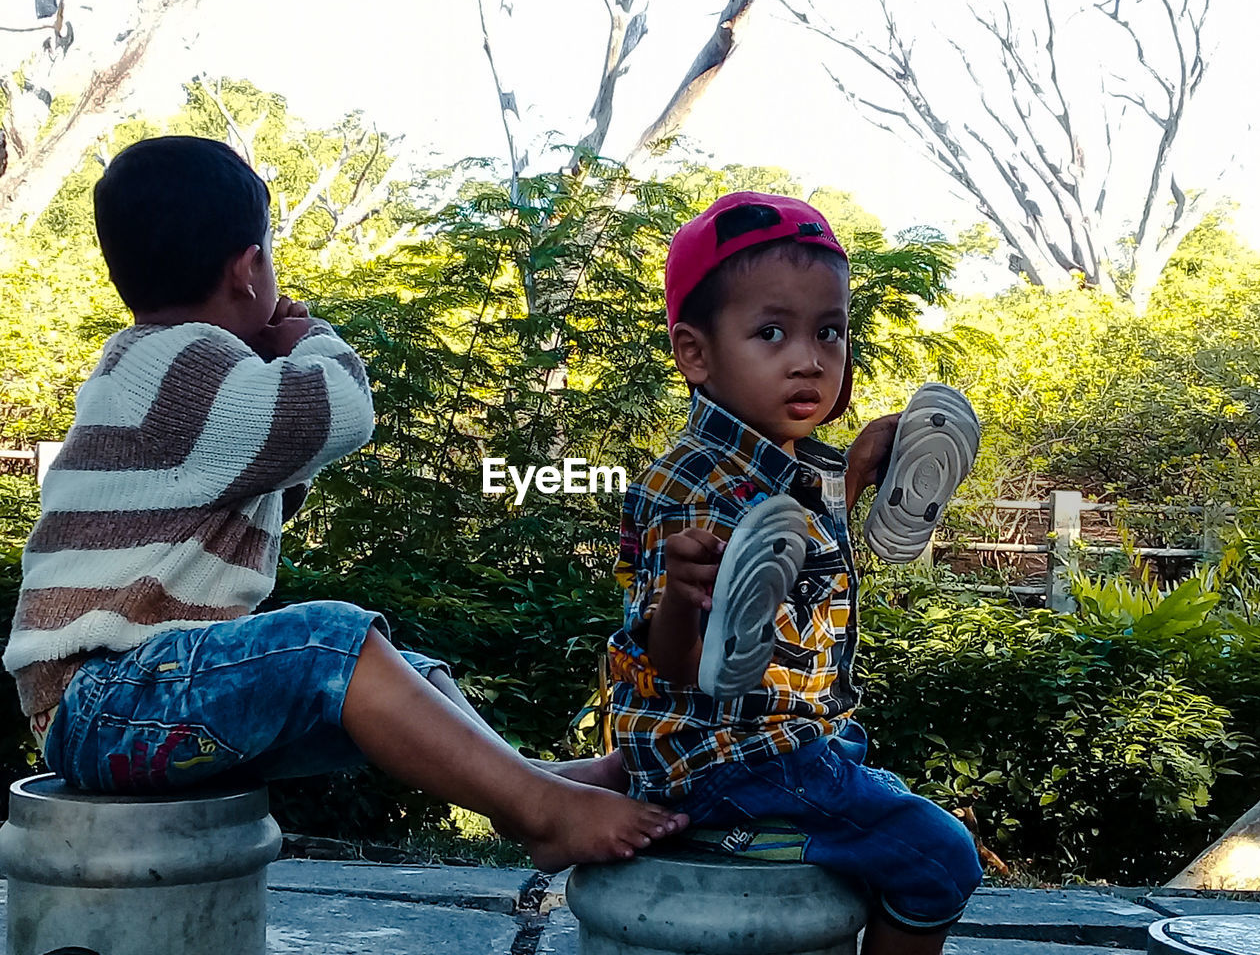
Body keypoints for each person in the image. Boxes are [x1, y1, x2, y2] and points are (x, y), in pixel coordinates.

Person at [4, 135, 686, 873]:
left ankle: (531, 781)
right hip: (105, 701)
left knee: (403, 671)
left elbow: (264, 488)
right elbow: (337, 413)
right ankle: (545, 814)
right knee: (334, 642)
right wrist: (312, 337)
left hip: (134, 697)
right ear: (250, 267)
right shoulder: (178, 362)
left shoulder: (172, 366)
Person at [608, 192, 983, 954]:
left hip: (794, 733)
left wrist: (854, 476)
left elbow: (790, 545)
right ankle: (742, 828)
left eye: (830, 332)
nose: (810, 358)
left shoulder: (788, 470)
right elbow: (677, 664)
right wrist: (682, 597)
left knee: (851, 751)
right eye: (771, 332)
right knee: (942, 859)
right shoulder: (687, 487)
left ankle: (617, 779)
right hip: (741, 756)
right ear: (696, 353)